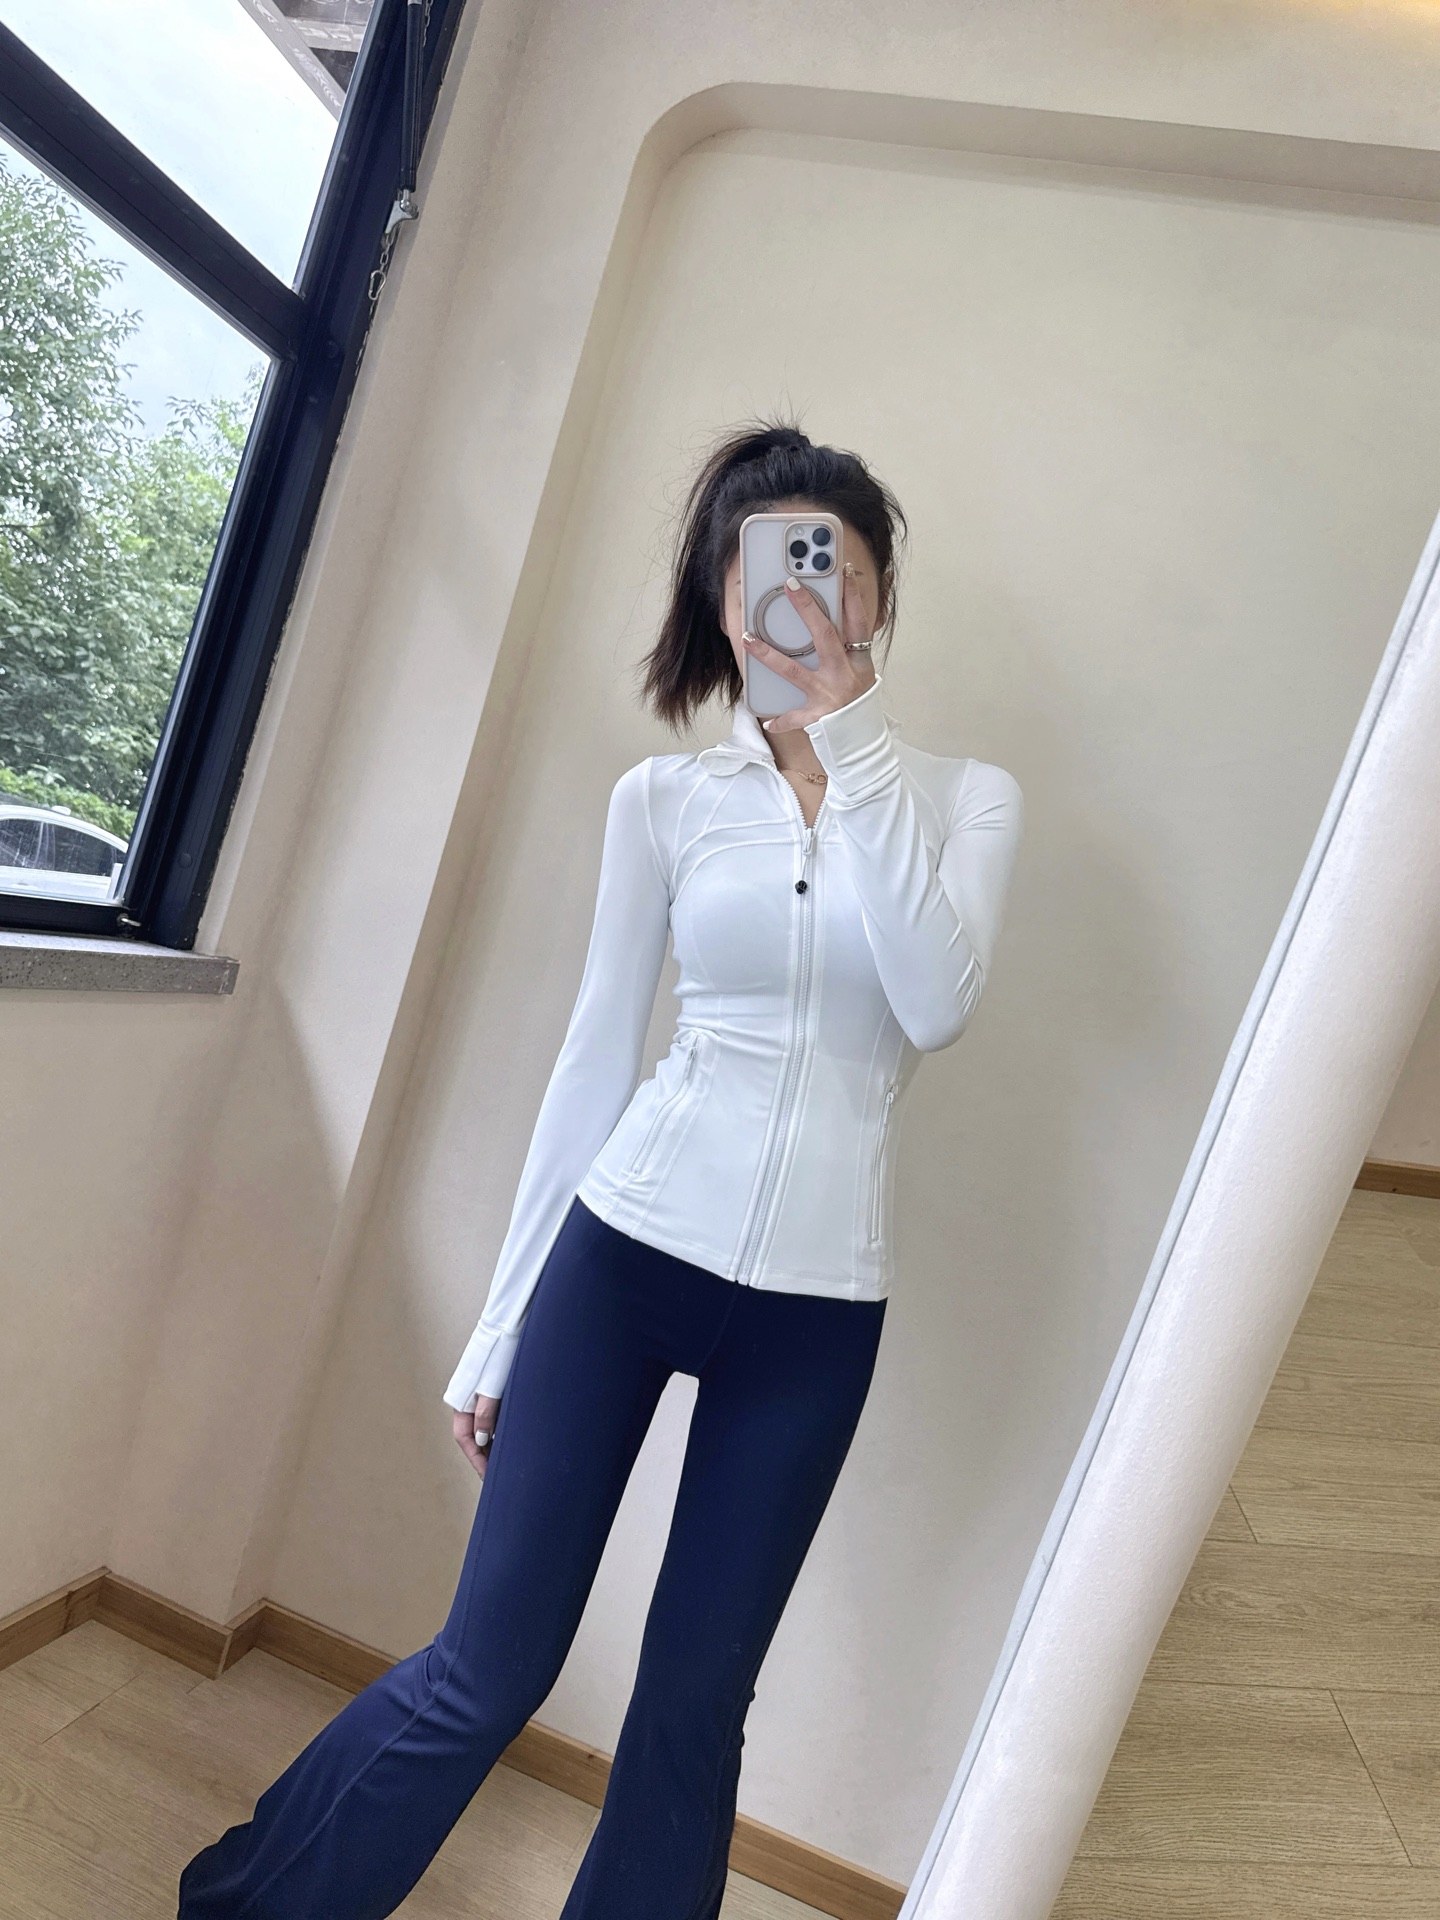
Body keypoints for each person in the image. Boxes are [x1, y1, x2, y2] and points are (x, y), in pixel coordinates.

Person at [177, 423, 1024, 1920]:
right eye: (771, 573)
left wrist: (851, 748)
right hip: (624, 1256)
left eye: (835, 570)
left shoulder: (963, 799)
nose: (805, 602)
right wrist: (501, 1322)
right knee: (488, 1665)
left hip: (818, 1309)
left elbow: (937, 1006)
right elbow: (593, 1061)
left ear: (881, 599)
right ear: (722, 598)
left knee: (693, 1709)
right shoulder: (663, 802)